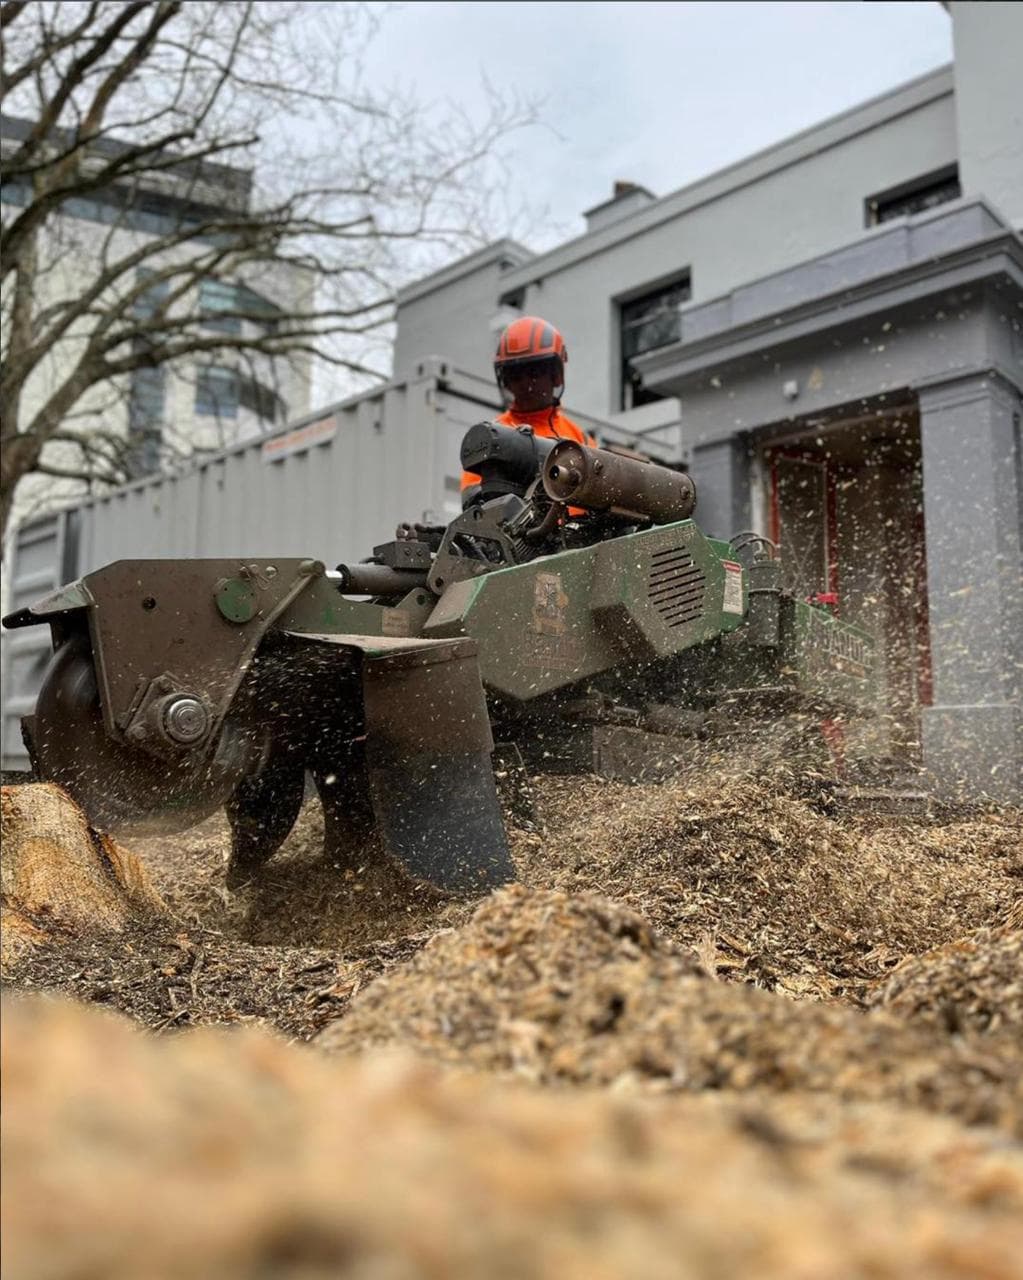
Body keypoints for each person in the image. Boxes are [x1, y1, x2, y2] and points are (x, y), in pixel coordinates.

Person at [461, 316, 594, 497]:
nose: (524, 384)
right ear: (506, 382)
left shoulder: (581, 439)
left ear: (556, 376)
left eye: (534, 373)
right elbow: (474, 501)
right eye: (516, 377)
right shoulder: (492, 437)